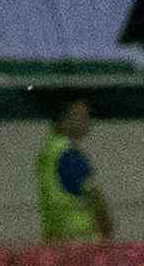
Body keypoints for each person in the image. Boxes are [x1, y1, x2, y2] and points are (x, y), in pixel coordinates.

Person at [30, 94, 110, 242]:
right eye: (80, 116)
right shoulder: (69, 155)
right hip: (80, 240)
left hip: (55, 238)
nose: (86, 121)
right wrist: (106, 228)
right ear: (62, 119)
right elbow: (95, 197)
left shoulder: (47, 151)